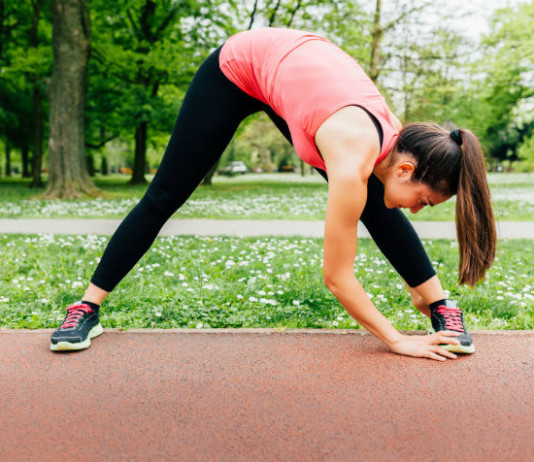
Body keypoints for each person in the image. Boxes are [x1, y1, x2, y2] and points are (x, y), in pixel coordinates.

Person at [50, 28, 496, 361]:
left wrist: (418, 294)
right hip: (241, 66)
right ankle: (85, 308)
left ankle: (437, 303)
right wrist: (398, 340)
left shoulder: (403, 143)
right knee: (164, 194)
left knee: (377, 203)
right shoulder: (351, 155)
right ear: (406, 168)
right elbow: (337, 278)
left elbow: (386, 199)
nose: (417, 210)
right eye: (423, 201)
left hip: (298, 72)